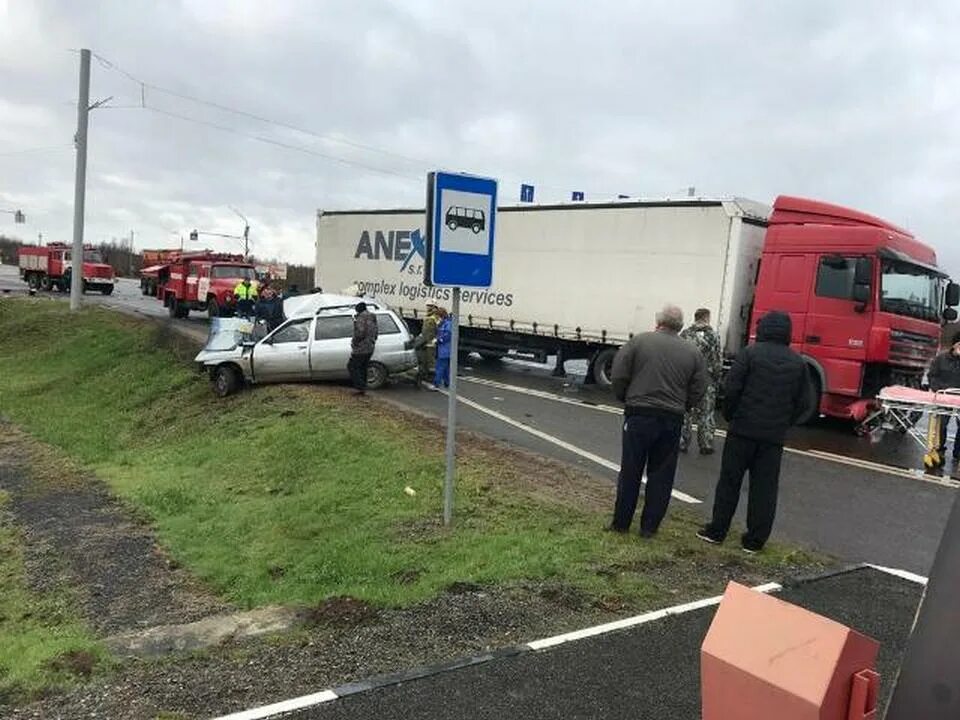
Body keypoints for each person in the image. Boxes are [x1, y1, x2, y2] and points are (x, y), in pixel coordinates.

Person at [697, 310, 809, 553]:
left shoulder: (750, 354)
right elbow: (804, 403)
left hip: (742, 431)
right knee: (764, 489)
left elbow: (732, 388)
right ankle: (755, 540)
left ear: (764, 329)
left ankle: (717, 530)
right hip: (773, 437)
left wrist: (731, 416)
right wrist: (785, 422)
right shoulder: (798, 362)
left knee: (729, 483)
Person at [609, 304, 707, 537]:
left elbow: (619, 374)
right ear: (681, 326)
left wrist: (626, 398)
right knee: (661, 474)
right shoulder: (692, 352)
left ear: (658, 322)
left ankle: (621, 523)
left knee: (631, 469)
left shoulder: (638, 342)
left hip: (639, 414)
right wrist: (684, 406)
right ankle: (649, 527)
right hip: (671, 418)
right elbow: (700, 386)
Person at [679, 308, 723, 455]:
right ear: (707, 318)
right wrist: (717, 379)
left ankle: (682, 441)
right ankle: (706, 443)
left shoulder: (685, 334)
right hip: (706, 380)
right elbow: (717, 361)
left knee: (685, 412)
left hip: (687, 379)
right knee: (706, 413)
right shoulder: (713, 336)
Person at [928, 331, 960, 460]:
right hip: (944, 396)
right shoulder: (941, 359)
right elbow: (932, 375)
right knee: (941, 424)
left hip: (959, 397)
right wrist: (938, 389)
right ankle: (939, 448)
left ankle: (958, 452)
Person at [348, 302, 379, 395]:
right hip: (370, 346)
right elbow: (376, 331)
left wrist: (355, 342)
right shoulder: (373, 317)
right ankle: (363, 386)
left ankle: (360, 387)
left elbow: (360, 333)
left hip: (361, 347)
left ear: (358, 310)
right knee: (363, 367)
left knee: (352, 366)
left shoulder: (361, 318)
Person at [412, 303, 440, 385]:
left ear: (433, 307)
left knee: (431, 362)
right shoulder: (429, 316)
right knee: (424, 360)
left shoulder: (435, 317)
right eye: (427, 306)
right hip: (425, 342)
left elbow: (437, 330)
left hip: (431, 343)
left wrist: (435, 339)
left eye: (429, 306)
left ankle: (433, 378)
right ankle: (426, 375)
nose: (427, 307)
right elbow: (425, 330)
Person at [434, 308, 453, 388]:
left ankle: (436, 384)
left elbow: (447, 335)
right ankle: (447, 382)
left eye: (437, 316)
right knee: (446, 368)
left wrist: (438, 340)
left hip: (444, 349)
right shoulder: (445, 323)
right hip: (445, 349)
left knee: (440, 367)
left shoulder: (447, 324)